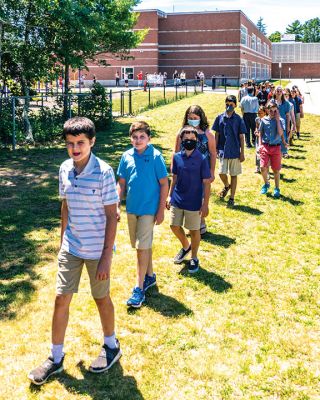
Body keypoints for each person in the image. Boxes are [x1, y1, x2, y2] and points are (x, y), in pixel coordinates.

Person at [28, 117, 121, 385]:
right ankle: (55, 358)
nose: (75, 148)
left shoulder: (104, 172)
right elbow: (66, 206)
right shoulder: (64, 169)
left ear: (92, 142)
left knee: (101, 298)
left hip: (97, 250)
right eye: (70, 144)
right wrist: (62, 244)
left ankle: (111, 345)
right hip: (72, 247)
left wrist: (106, 257)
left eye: (81, 143)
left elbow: (112, 215)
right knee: (61, 300)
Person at [117, 121, 168, 308]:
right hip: (132, 208)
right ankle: (150, 276)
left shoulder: (155, 157)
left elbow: (164, 183)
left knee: (141, 247)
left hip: (149, 209)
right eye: (135, 137)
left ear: (149, 138)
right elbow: (121, 182)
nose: (138, 141)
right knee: (142, 246)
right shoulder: (126, 156)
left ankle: (138, 290)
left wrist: (161, 209)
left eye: (142, 137)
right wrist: (116, 204)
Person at [167, 126, 211, 273]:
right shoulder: (177, 157)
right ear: (181, 140)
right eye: (186, 139)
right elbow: (174, 178)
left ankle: (194, 257)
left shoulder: (202, 159)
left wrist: (205, 204)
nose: (189, 142)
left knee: (194, 230)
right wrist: (169, 195)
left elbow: (206, 183)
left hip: (194, 202)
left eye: (192, 139)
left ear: (197, 141)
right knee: (174, 226)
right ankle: (186, 246)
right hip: (178, 199)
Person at [174, 105, 216, 235]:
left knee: (201, 196)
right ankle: (190, 223)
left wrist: (212, 171)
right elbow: (176, 151)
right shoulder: (181, 133)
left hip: (201, 172)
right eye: (190, 118)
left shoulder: (208, 134)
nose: (192, 120)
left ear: (201, 118)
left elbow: (213, 153)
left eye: (195, 118)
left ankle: (200, 222)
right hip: (185, 172)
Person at [212, 95, 246, 207]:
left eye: (231, 104)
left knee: (234, 174)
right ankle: (227, 185)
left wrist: (242, 153)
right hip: (223, 150)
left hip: (235, 151)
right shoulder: (220, 117)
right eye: (227, 104)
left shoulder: (238, 119)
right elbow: (217, 134)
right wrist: (215, 148)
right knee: (221, 172)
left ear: (235, 105)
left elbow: (241, 137)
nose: (229, 106)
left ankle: (232, 197)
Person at [259, 100, 287, 198]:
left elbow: (280, 133)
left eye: (275, 111)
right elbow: (260, 133)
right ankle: (266, 184)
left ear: (277, 111)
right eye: (271, 111)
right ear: (267, 110)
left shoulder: (281, 120)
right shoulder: (263, 120)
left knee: (276, 170)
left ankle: (277, 188)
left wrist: (278, 119)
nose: (273, 113)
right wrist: (260, 145)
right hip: (265, 146)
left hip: (276, 148)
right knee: (262, 167)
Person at [273, 86, 290, 158]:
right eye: (277, 91)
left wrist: (288, 126)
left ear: (282, 93)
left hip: (283, 123)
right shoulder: (272, 102)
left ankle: (284, 152)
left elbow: (288, 115)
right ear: (275, 92)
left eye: (280, 91)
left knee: (284, 137)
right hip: (273, 123)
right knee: (275, 137)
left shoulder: (286, 103)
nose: (279, 92)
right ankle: (274, 152)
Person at [254, 106, 267, 173]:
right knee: (257, 152)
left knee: (264, 153)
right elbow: (256, 127)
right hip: (258, 138)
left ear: (265, 113)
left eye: (261, 113)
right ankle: (258, 166)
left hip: (264, 139)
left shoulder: (267, 120)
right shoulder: (257, 119)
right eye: (258, 113)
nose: (259, 114)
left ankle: (265, 167)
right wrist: (256, 131)